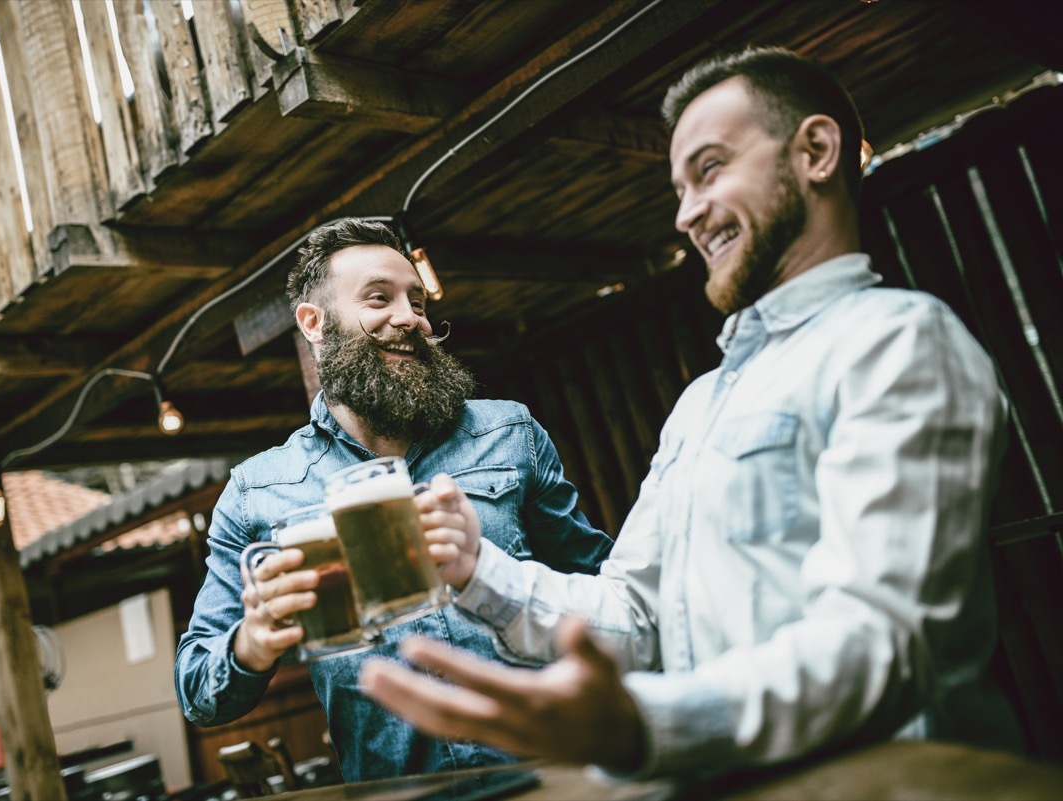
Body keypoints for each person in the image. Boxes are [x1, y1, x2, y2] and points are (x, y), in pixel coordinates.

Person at [359, 46, 1024, 778]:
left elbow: (884, 641)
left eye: (709, 169)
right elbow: (636, 616)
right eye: (679, 188)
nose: (687, 214)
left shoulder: (898, 341)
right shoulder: (701, 401)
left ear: (817, 151)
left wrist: (645, 725)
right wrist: (476, 566)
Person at [174, 218, 613, 781]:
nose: (410, 318)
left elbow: (604, 591)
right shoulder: (258, 490)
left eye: (418, 302)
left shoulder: (511, 432)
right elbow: (197, 693)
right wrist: (252, 644)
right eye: (379, 298)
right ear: (314, 323)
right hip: (399, 792)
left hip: (554, 774)